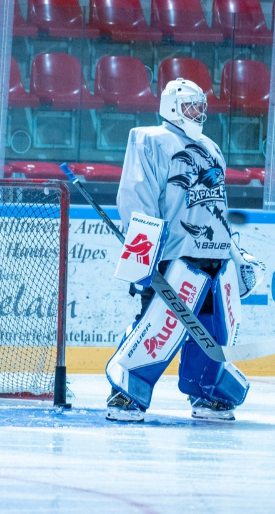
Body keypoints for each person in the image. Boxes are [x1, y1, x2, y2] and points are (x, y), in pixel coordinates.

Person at [104, 79, 265, 423]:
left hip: (216, 258)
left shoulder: (211, 147)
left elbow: (218, 208)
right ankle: (126, 394)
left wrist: (236, 255)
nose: (199, 112)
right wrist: (143, 254)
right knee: (158, 325)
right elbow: (136, 197)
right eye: (192, 105)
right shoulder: (150, 140)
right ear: (172, 106)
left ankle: (208, 395)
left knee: (212, 333)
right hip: (176, 256)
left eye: (201, 105)